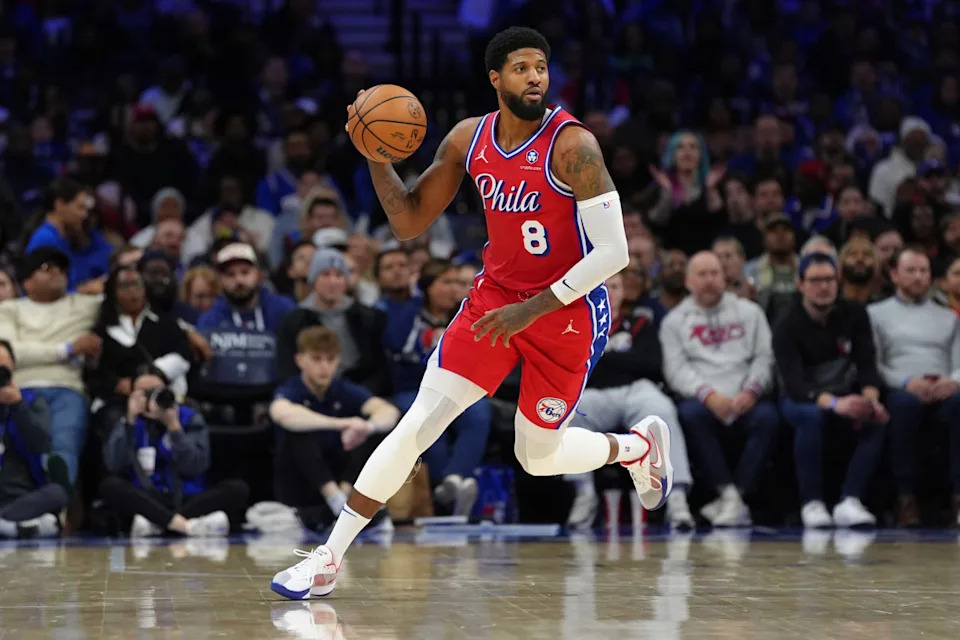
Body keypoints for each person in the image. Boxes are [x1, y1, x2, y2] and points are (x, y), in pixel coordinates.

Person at [271, 27, 669, 600]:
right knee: (416, 427)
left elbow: (615, 254)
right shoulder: (468, 139)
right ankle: (329, 557)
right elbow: (408, 221)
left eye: (541, 67)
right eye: (521, 68)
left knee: (536, 457)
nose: (535, 77)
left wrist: (531, 310)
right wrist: (377, 157)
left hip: (567, 310)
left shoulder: (573, 146)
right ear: (495, 78)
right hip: (494, 301)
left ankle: (633, 448)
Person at [566, 270, 695, 530]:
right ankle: (584, 494)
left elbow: (650, 363)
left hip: (636, 389)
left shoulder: (640, 322)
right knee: (570, 415)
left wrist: (604, 362)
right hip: (592, 394)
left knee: (663, 410)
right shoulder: (576, 325)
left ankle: (677, 499)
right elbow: (577, 368)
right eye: (604, 287)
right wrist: (623, 362)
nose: (610, 292)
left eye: (615, 286)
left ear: (623, 291)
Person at [659, 251, 779, 527]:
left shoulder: (750, 312)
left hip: (745, 395)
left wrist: (751, 390)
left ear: (724, 278)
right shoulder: (674, 322)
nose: (709, 280)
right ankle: (728, 493)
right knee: (689, 415)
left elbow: (764, 357)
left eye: (714, 273)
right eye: (702, 274)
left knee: (768, 418)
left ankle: (734, 498)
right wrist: (708, 395)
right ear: (688, 281)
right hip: (703, 398)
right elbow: (675, 369)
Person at [773, 252, 889, 529]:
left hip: (845, 390)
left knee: (878, 415)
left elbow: (867, 364)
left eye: (829, 279)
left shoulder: (855, 313)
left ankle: (850, 499)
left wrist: (870, 400)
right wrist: (837, 404)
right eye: (815, 280)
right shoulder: (786, 324)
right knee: (810, 416)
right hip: (800, 396)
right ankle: (811, 503)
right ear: (801, 285)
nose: (823, 287)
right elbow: (795, 384)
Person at [384, 259, 492, 515]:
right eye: (446, 282)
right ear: (428, 287)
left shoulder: (467, 313)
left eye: (457, 282)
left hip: (458, 385)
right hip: (413, 386)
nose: (453, 288)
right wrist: (413, 301)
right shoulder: (408, 313)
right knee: (432, 422)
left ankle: (453, 480)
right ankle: (445, 494)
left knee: (479, 414)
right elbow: (394, 341)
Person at [270, 327, 399, 531]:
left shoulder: (343, 389)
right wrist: (342, 424)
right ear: (300, 360)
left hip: (340, 476)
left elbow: (388, 412)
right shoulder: (291, 389)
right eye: (316, 359)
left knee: (366, 431)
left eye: (330, 359)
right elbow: (281, 413)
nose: (324, 367)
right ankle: (335, 500)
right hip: (301, 483)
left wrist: (365, 426)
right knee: (297, 433)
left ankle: (342, 499)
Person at [867, 248, 960, 526]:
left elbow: (958, 360)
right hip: (902, 386)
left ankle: (958, 496)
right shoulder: (876, 313)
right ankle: (905, 498)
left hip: (943, 385)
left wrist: (953, 380)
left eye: (924, 271)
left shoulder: (949, 317)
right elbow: (876, 365)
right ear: (894, 275)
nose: (919, 277)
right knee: (904, 407)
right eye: (911, 271)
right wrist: (907, 382)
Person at [99, 369, 249, 537]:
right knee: (111, 485)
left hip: (187, 497)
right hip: (146, 499)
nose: (151, 398)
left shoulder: (190, 418)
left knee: (237, 488)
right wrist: (130, 422)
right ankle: (186, 526)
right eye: (144, 393)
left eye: (156, 392)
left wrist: (174, 427)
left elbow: (196, 466)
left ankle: (158, 523)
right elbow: (114, 465)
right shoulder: (127, 421)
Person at [0, 247, 102, 487]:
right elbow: (10, 352)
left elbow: (133, 305)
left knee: (63, 446)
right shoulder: (9, 310)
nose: (56, 273)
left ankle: (57, 506)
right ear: (27, 281)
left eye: (61, 268)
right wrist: (67, 349)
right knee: (26, 451)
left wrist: (191, 333)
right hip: (20, 388)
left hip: (67, 388)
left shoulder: (85, 305)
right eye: (47, 268)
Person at [276, 248, 388, 393]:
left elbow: (380, 368)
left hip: (360, 390)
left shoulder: (368, 317)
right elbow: (287, 369)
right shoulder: (294, 320)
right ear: (313, 280)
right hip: (311, 393)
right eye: (325, 274)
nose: (332, 282)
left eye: (339, 275)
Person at [0, 340, 68, 538]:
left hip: (21, 498)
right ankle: (17, 526)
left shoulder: (30, 400)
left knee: (57, 493)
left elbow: (41, 444)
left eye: (3, 367)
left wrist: (17, 405)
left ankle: (9, 524)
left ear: (13, 368)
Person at [24, 178, 106, 294]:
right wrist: (83, 291)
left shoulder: (64, 238)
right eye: (80, 208)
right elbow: (41, 292)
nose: (84, 215)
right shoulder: (45, 239)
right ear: (60, 205)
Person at [196, 243, 295, 334]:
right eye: (230, 274)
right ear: (220, 280)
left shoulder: (285, 310)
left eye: (245, 272)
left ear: (259, 275)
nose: (239, 280)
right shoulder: (210, 321)